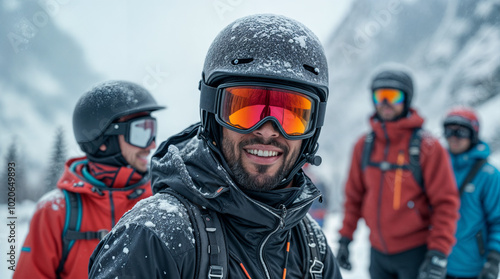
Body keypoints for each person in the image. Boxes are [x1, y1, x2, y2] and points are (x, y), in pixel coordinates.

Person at [88, 14, 342, 278]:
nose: (267, 130)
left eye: (291, 115)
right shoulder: (156, 237)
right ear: (212, 116)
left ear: (312, 130)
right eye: (244, 109)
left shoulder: (311, 245)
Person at [13, 80, 165, 279]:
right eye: (141, 131)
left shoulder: (158, 202)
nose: (152, 144)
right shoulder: (55, 211)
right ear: (104, 141)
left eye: (152, 129)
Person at [336, 66, 460, 279]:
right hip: (377, 254)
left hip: (415, 253)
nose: (385, 103)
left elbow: (445, 203)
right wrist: (345, 239)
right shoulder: (364, 146)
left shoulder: (427, 147)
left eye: (392, 96)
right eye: (379, 96)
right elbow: (354, 197)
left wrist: (438, 253)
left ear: (407, 99)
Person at [443, 107, 500, 279]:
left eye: (460, 132)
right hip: (438, 264)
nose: (454, 137)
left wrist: (494, 258)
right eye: (449, 131)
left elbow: (498, 220)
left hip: (473, 268)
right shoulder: (437, 169)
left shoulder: (489, 175)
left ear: (473, 135)